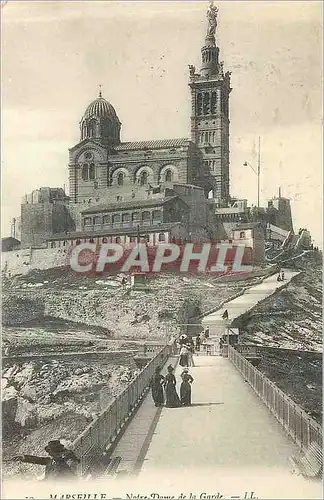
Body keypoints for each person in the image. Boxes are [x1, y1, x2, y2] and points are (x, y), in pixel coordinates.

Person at [11, 440, 80, 480]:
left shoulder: (64, 463)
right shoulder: (51, 460)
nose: (49, 453)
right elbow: (37, 459)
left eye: (50, 451)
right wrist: (23, 457)